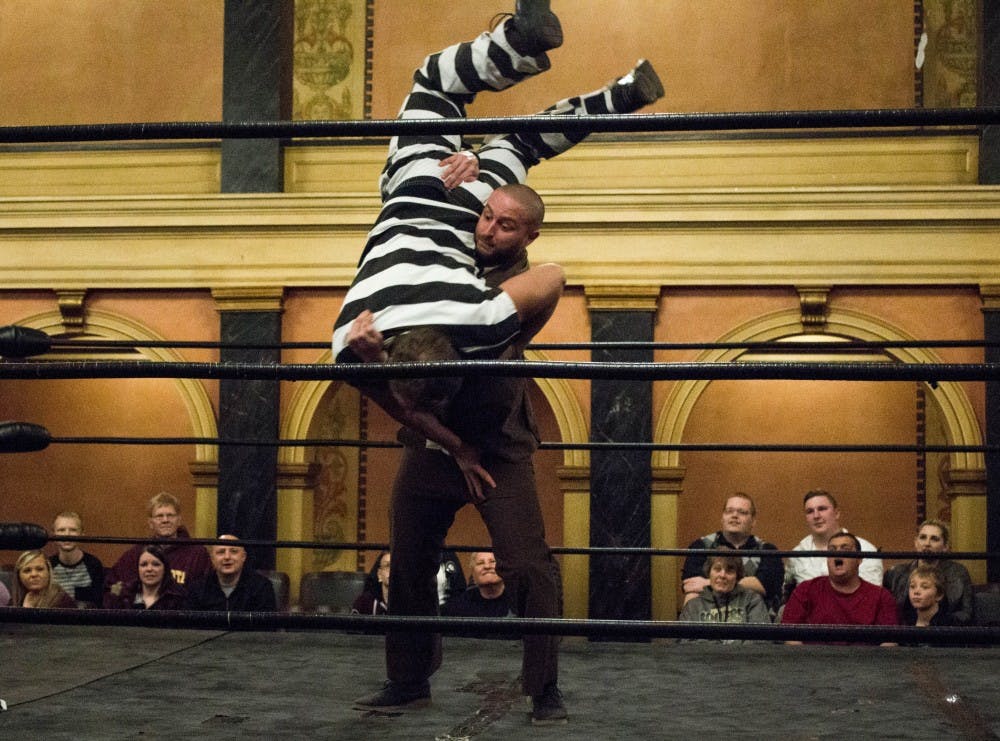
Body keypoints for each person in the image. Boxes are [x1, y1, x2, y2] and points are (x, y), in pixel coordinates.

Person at [349, 2, 664, 725]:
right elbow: (520, 143)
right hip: (433, 435)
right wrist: (462, 170)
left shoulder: (512, 281)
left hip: (497, 441)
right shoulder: (453, 224)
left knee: (529, 565)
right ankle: (408, 677)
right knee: (408, 552)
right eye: (486, 216)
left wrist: (483, 169)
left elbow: (525, 181)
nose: (489, 228)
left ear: (525, 232)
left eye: (504, 223)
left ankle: (544, 686)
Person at [781, 532, 898, 644]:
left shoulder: (881, 597)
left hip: (865, 663)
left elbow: (889, 642)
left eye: (845, 549)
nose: (837, 554)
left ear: (859, 559)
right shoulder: (805, 590)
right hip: (813, 661)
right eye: (832, 550)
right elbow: (789, 636)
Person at [680, 493, 784, 615]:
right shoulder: (701, 546)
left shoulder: (767, 550)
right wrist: (747, 583)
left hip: (753, 618)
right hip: (709, 617)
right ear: (722, 518)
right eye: (729, 511)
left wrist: (709, 583)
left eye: (742, 512)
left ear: (753, 521)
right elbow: (690, 585)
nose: (734, 516)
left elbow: (765, 586)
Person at [104, 491, 211, 602]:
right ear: (151, 523)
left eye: (170, 515)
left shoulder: (197, 553)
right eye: (159, 516)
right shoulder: (136, 553)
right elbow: (112, 585)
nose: (165, 520)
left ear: (179, 520)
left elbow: (206, 592)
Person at [784, 489, 882, 594]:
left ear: (836, 513)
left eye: (822, 509)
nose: (816, 516)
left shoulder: (865, 550)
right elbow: (785, 592)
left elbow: (872, 596)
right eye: (810, 511)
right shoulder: (797, 554)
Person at [882, 518, 974, 626]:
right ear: (916, 542)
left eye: (934, 539)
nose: (927, 543)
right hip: (904, 633)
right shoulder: (895, 573)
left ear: (945, 547)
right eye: (923, 537)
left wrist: (938, 625)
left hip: (945, 633)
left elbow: (967, 613)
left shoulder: (958, 572)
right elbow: (886, 612)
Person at [185, 535, 278, 612]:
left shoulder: (261, 587)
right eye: (221, 552)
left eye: (234, 551)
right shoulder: (197, 589)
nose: (227, 557)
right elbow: (191, 629)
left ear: (243, 557)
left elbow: (266, 629)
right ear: (212, 559)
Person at [678, 551, 771, 626]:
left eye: (729, 570)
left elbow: (761, 640)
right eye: (717, 569)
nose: (722, 575)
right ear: (709, 573)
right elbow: (684, 641)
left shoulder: (752, 601)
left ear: (737, 576)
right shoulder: (693, 605)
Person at [48, 510, 104, 608]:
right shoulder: (48, 565)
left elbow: (99, 605)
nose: (67, 534)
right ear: (54, 534)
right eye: (61, 530)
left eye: (73, 530)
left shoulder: (93, 565)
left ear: (82, 534)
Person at [103, 544, 186, 610]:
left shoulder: (178, 599)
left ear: (165, 569)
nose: (149, 569)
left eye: (156, 564)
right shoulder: (124, 597)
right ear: (138, 569)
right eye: (144, 565)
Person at [442, 551, 514, 620]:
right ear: (473, 573)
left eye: (492, 561)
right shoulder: (457, 607)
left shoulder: (518, 601)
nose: (487, 566)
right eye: (480, 563)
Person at [11, 550, 77, 608]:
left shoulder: (63, 602)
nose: (34, 574)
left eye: (40, 569)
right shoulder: (14, 601)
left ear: (49, 572)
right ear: (18, 575)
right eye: (27, 570)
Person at [353, 550, 390, 615]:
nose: (391, 570)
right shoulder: (364, 603)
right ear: (379, 574)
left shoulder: (409, 602)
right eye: (387, 565)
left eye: (395, 566)